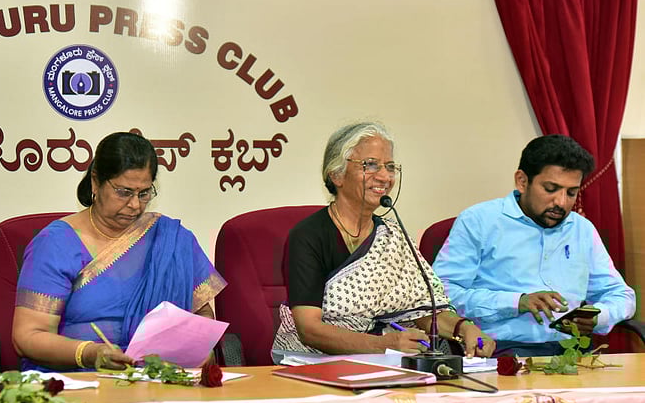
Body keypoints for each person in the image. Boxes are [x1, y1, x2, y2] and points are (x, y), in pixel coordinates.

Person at [272, 122, 495, 361]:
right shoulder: (308, 236)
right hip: (311, 362)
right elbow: (310, 330)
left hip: (382, 362)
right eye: (370, 165)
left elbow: (423, 312)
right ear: (336, 174)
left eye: (390, 167)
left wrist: (464, 328)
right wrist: (381, 345)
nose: (385, 177)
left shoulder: (393, 236)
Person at [12, 132, 226, 372]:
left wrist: (194, 348)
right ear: (96, 181)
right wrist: (89, 353)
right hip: (79, 382)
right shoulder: (55, 243)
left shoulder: (171, 238)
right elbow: (28, 336)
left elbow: (201, 315)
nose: (135, 204)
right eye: (124, 192)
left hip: (160, 380)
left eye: (144, 193)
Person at [433, 134, 635, 357]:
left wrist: (599, 315)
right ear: (522, 181)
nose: (561, 202)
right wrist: (516, 302)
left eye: (571, 192)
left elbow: (621, 295)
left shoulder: (582, 229)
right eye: (550, 189)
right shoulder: (479, 221)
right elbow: (441, 296)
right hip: (500, 350)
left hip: (573, 352)